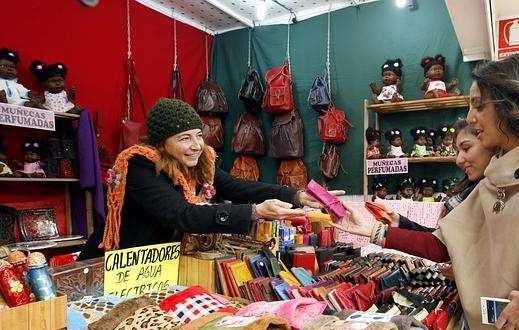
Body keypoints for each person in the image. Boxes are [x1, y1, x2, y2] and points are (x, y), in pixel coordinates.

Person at [334, 54, 519, 330]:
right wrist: (370, 229)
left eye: (479, 105)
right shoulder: (494, 178)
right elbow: (444, 245)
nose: (471, 118)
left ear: (512, 105)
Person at [79, 98, 341, 259]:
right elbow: (182, 214)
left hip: (157, 266)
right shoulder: (140, 166)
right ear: (162, 143)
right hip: (113, 265)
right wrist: (254, 212)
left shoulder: (198, 165)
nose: (196, 145)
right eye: (185, 138)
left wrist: (297, 195)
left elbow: (237, 186)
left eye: (198, 135)